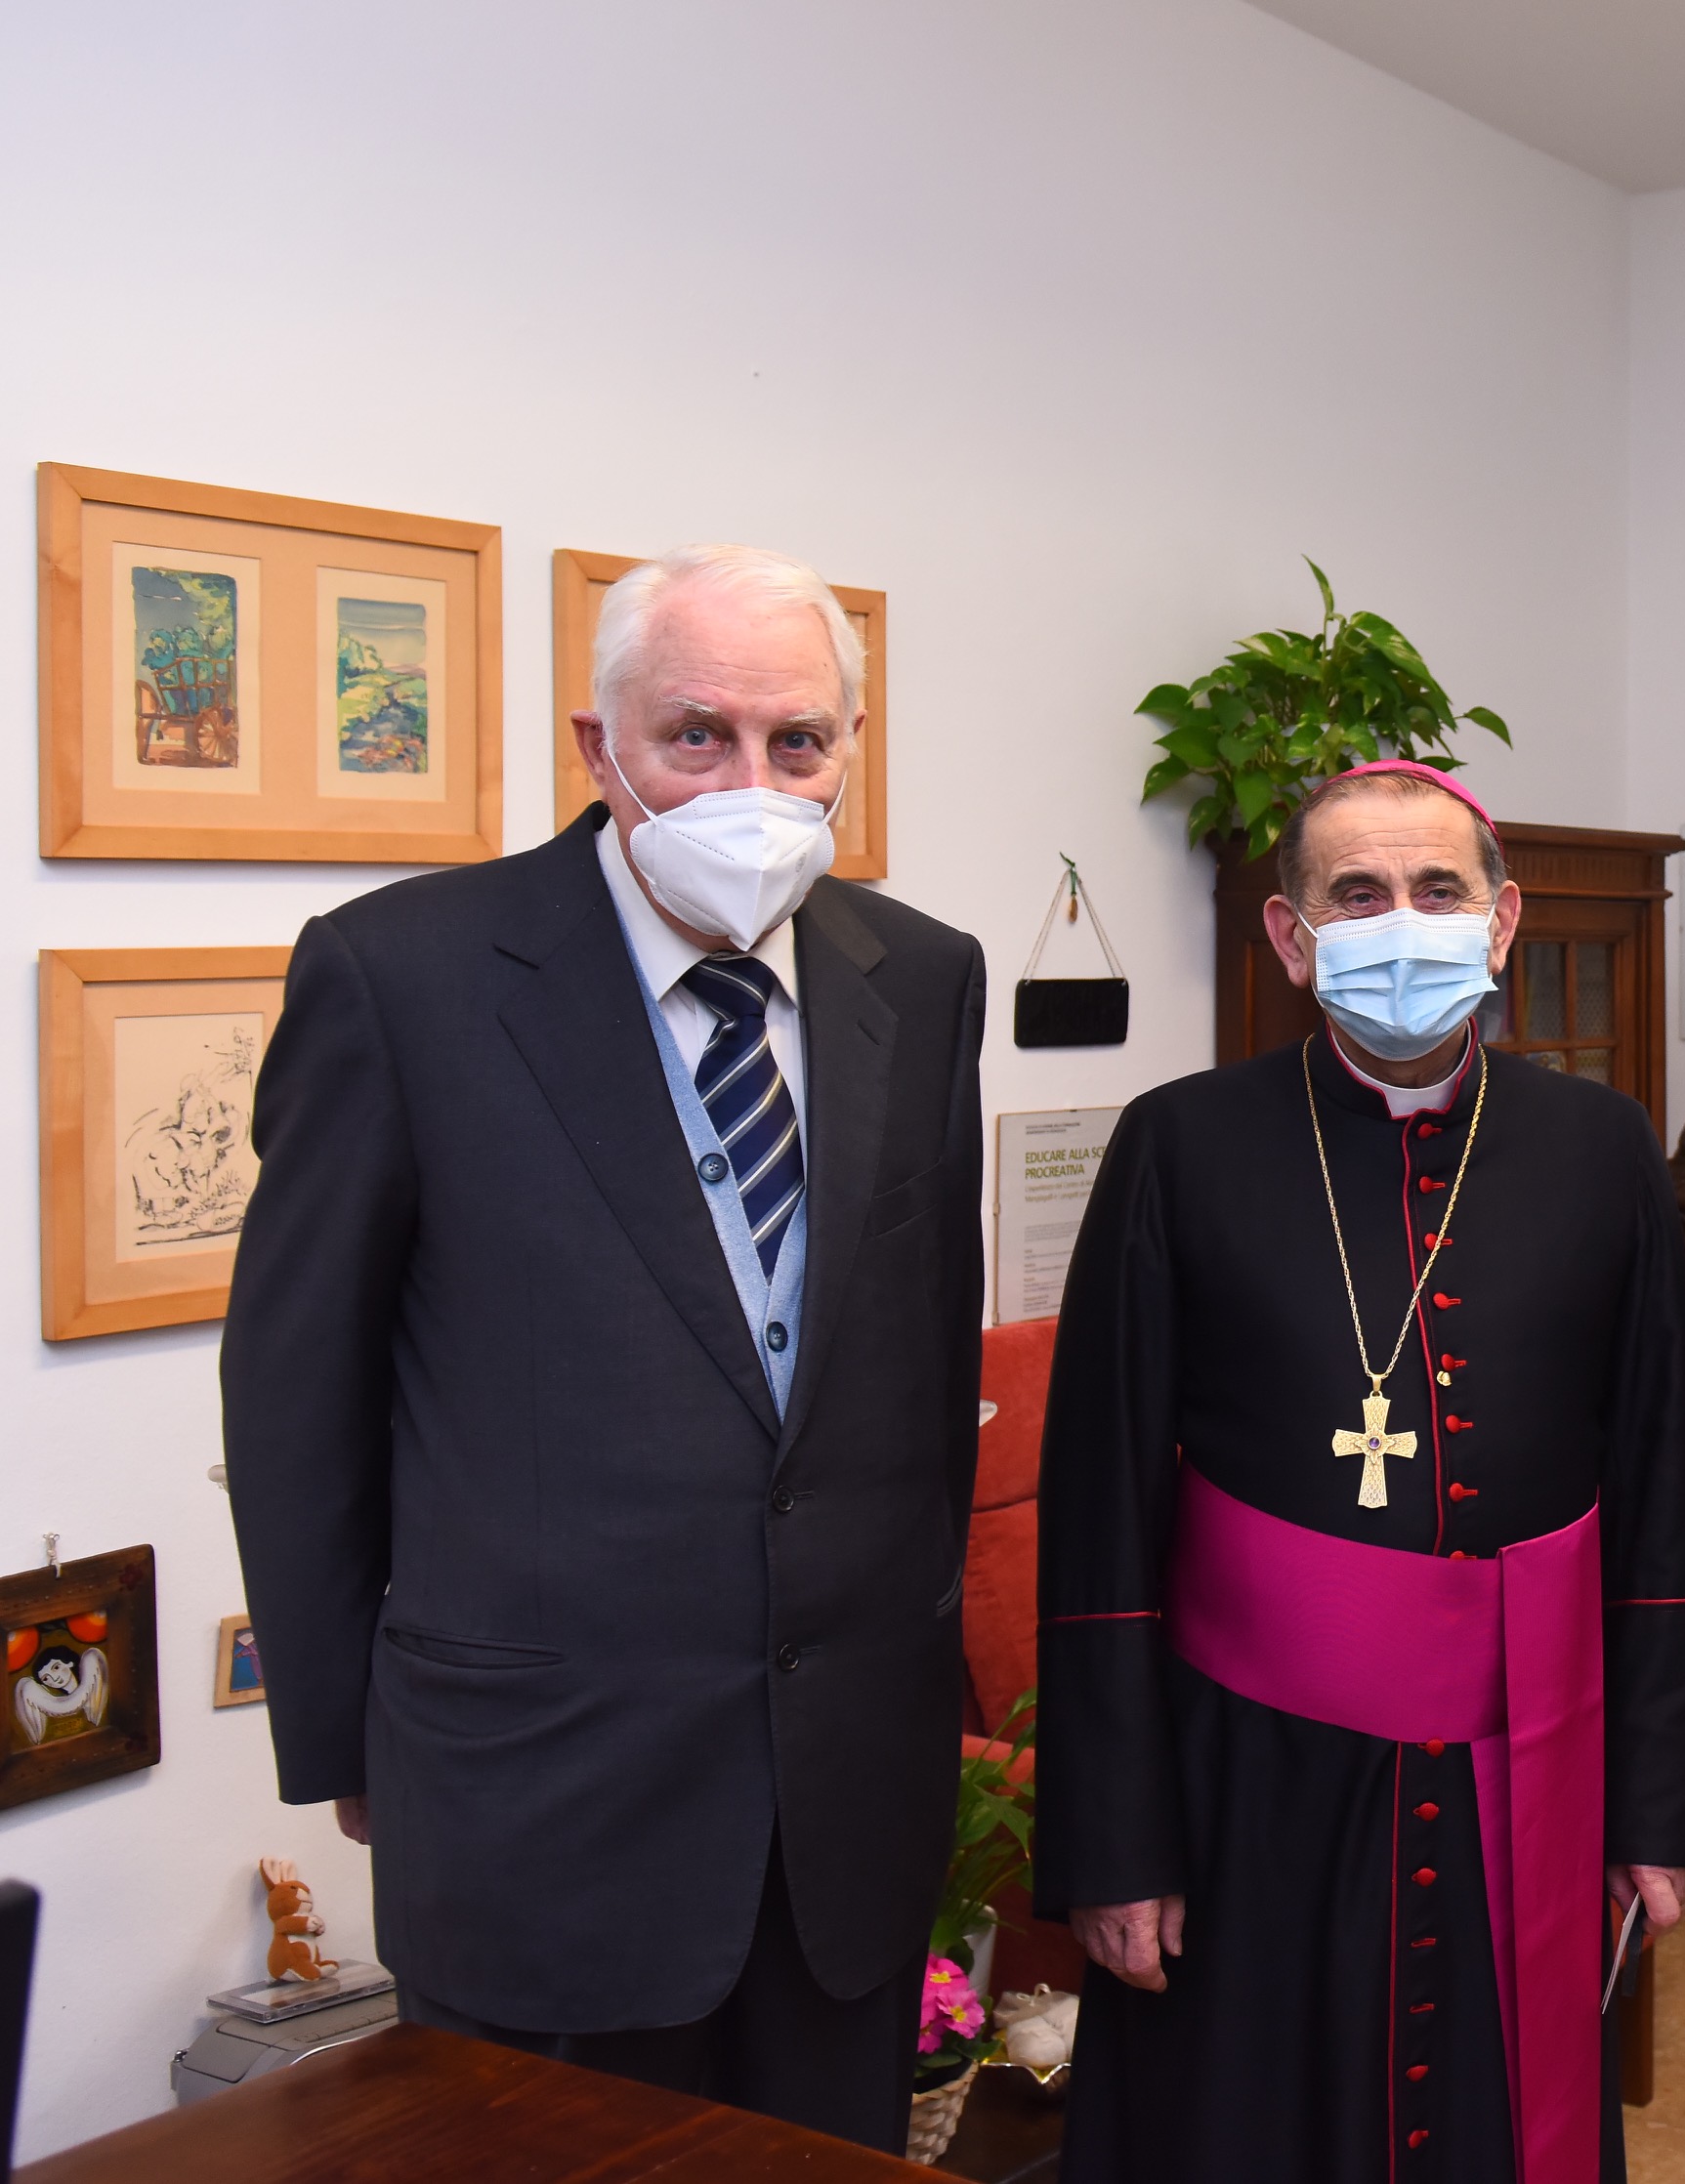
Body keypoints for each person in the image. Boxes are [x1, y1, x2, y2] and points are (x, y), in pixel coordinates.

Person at [221, 544, 988, 2154]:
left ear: (851, 747)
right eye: (696, 735)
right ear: (597, 745)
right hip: (535, 1801)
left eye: (797, 741)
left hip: (845, 1805)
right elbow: (298, 1395)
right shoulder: (403, 976)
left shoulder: (920, 976)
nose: (751, 783)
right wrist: (348, 1735)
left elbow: (922, 1369)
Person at [1033, 760, 1685, 2184]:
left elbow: (1664, 1490)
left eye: (1437, 890)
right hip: (1247, 1780)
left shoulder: (1598, 1148)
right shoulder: (1180, 1144)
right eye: (1356, 895)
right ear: (1290, 939)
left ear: (1501, 921)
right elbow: (1101, 1517)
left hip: (1522, 1769)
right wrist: (1114, 1842)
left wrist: (1656, 1803)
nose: (1401, 921)